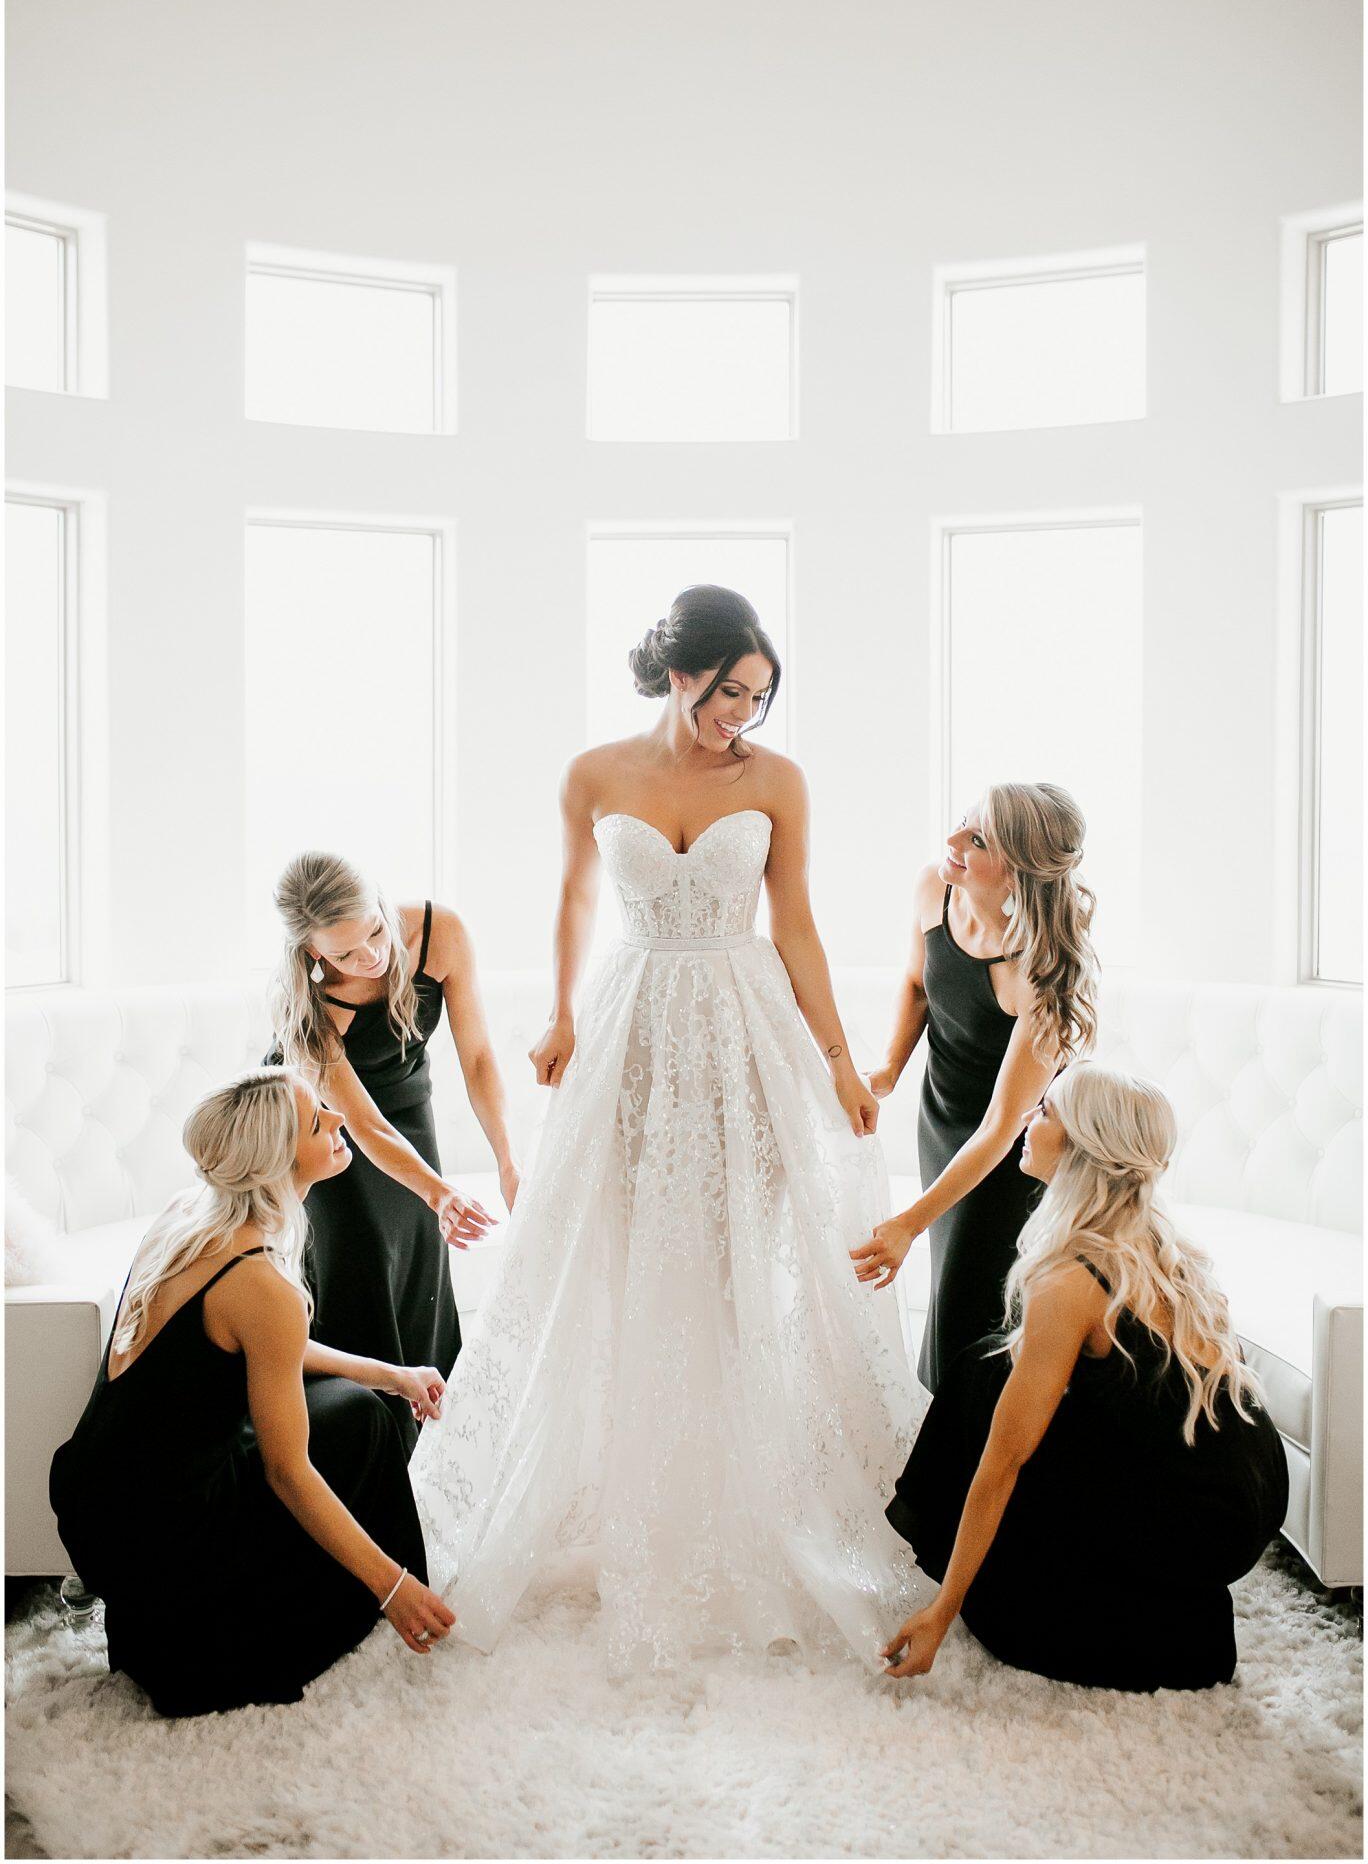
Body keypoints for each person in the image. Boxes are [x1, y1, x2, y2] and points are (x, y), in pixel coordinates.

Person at [411, 584, 924, 1674]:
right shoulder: (595, 772)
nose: (745, 712)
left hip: (745, 1025)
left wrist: (838, 1058)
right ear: (680, 670)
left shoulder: (776, 781)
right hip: (632, 1023)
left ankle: (752, 1494)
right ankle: (632, 1487)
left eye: (761, 695)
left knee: (746, 1255)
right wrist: (555, 1010)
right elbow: (575, 901)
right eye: (730, 689)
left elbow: (794, 917)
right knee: (630, 1254)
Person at [49, 1068, 456, 1717]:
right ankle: (402, 1594)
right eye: (319, 1121)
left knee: (357, 1404)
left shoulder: (188, 1214)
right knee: (360, 1426)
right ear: (277, 1158)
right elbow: (287, 1471)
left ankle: (379, 1569)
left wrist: (392, 1373)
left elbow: (268, 1345)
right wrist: (390, 1585)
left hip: (103, 1504)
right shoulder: (259, 1282)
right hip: (168, 1538)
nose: (340, 1121)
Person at [881, 1062, 1289, 1693]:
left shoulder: (1073, 1275)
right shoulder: (1150, 1238)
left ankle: (1063, 1597)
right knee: (993, 1363)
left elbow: (1004, 1460)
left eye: (1043, 1111)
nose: (1026, 1120)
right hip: (1236, 1494)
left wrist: (946, 1610)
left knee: (982, 1390)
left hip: (1197, 1518)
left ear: (1080, 1148)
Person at [851, 784, 1098, 1391]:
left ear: (1018, 873)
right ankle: (951, 1455)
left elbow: (1001, 1129)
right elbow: (917, 985)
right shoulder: (936, 888)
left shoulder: (1048, 978)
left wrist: (906, 1221)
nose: (952, 841)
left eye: (978, 839)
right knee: (948, 1292)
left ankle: (972, 1463)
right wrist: (887, 1071)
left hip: (1013, 1157)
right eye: (963, 823)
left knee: (971, 1307)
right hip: (941, 1116)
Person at [271, 855, 520, 1453]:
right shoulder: (308, 1008)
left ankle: (436, 1454)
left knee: (422, 1262)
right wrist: (441, 1190)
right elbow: (363, 1126)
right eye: (345, 954)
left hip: (408, 1103)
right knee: (357, 1261)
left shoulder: (441, 933)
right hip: (322, 1129)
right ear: (313, 956)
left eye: (376, 932)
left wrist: (507, 1160)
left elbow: (480, 1059)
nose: (371, 958)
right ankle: (369, 1450)